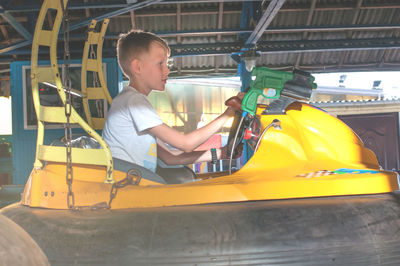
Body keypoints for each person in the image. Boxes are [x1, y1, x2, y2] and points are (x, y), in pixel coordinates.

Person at [102, 30, 243, 174]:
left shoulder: (131, 102)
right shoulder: (134, 101)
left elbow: (170, 157)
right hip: (127, 186)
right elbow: (186, 144)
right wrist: (228, 114)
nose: (167, 70)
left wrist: (222, 153)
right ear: (138, 67)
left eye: (167, 63)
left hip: (135, 183)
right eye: (160, 63)